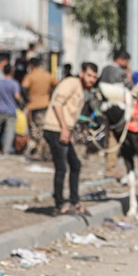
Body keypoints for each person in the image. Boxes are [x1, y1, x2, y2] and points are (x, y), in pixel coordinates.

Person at [42, 62, 98, 215]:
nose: (91, 80)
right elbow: (57, 104)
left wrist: (69, 131)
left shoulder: (81, 89)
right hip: (55, 129)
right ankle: (59, 204)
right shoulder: (71, 83)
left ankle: (75, 201)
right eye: (89, 75)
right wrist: (64, 128)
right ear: (81, 73)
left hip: (64, 130)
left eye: (94, 77)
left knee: (75, 165)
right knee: (61, 167)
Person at [21, 57, 57, 160]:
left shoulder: (30, 76)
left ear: (31, 65)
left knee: (35, 130)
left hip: (34, 106)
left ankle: (40, 151)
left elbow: (23, 88)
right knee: (45, 128)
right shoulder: (47, 75)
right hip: (46, 104)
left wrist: (27, 99)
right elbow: (57, 85)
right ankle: (46, 151)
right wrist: (51, 96)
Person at [0, 63, 21, 155]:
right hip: (11, 110)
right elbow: (17, 96)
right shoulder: (14, 83)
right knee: (10, 131)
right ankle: (6, 151)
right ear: (12, 72)